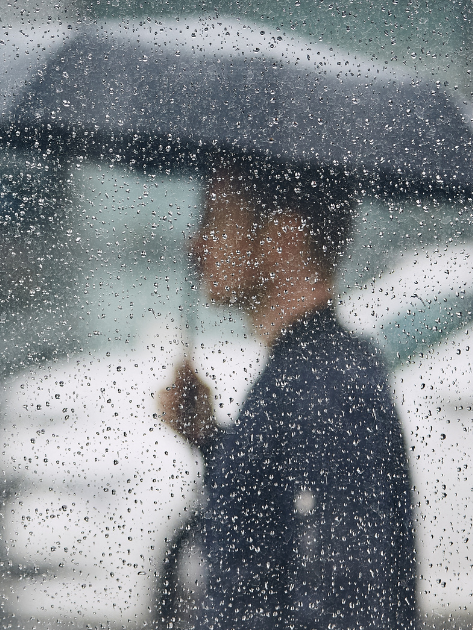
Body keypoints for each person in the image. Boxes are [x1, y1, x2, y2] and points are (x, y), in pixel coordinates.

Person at [159, 160, 417, 630]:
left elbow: (351, 597)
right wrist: (209, 439)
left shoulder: (329, 387)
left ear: (283, 236)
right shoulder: (303, 372)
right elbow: (269, 528)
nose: (194, 247)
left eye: (216, 219)